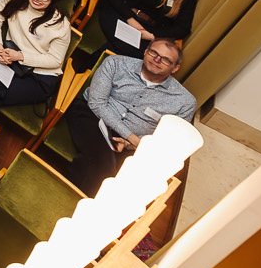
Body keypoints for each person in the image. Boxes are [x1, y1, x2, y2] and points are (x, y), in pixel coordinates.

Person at [67, 40, 198, 193]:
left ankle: (67, 190)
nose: (157, 60)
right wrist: (132, 138)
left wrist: (129, 144)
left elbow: (166, 141)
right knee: (105, 167)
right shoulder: (116, 63)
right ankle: (77, 202)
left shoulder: (184, 102)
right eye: (154, 53)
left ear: (175, 68)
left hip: (133, 144)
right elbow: (97, 103)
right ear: (145, 51)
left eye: (166, 59)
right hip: (92, 116)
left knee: (121, 181)